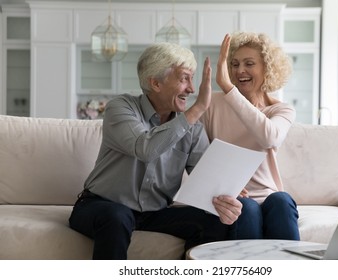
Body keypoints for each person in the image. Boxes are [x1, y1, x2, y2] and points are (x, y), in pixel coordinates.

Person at [69, 42, 243, 260]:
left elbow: (207, 179)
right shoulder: (120, 108)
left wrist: (225, 197)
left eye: (192, 79)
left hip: (155, 213)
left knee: (217, 222)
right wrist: (198, 107)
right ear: (155, 83)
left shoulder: (192, 130)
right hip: (101, 205)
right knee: (117, 216)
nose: (191, 88)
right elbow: (146, 147)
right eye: (184, 78)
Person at [200, 32, 300, 240]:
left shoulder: (280, 110)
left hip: (269, 196)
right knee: (248, 208)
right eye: (234, 64)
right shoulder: (213, 104)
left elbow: (269, 138)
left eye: (249, 63)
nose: (240, 71)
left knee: (282, 200)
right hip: (231, 198)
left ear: (267, 68)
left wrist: (228, 88)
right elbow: (196, 153)